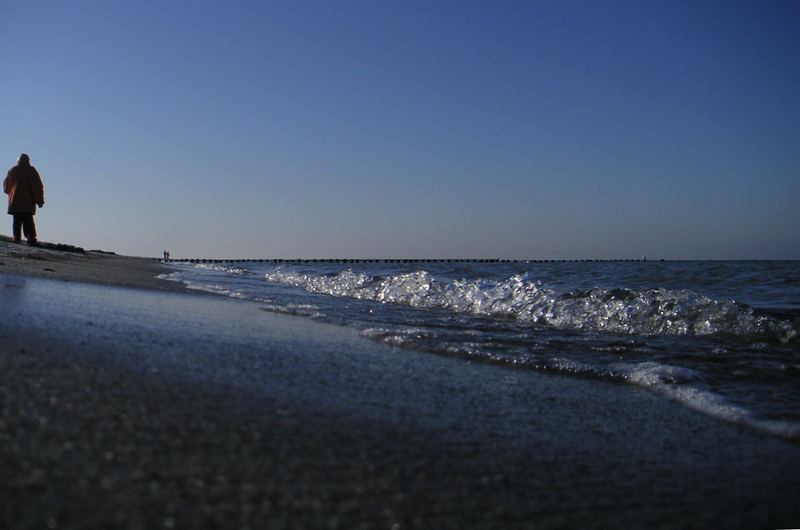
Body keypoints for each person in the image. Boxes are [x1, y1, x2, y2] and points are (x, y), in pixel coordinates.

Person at [3, 154, 45, 245]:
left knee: (17, 221)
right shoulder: (31, 171)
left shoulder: (12, 170)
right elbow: (37, 187)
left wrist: (11, 194)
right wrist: (40, 201)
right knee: (28, 222)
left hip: (15, 202)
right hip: (28, 203)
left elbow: (6, 188)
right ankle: (31, 239)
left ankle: (17, 239)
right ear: (28, 160)